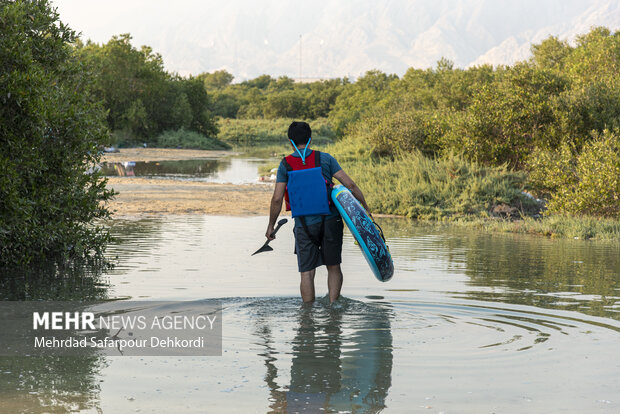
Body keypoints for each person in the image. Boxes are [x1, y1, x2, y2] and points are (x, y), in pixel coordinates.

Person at [266, 121, 371, 303]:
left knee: (307, 272)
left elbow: (277, 198)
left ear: (290, 142)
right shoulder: (326, 159)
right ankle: (333, 312)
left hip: (304, 225)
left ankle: (307, 317)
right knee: (333, 266)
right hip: (331, 221)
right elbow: (350, 185)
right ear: (310, 139)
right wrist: (365, 209)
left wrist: (270, 226)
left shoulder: (285, 164)